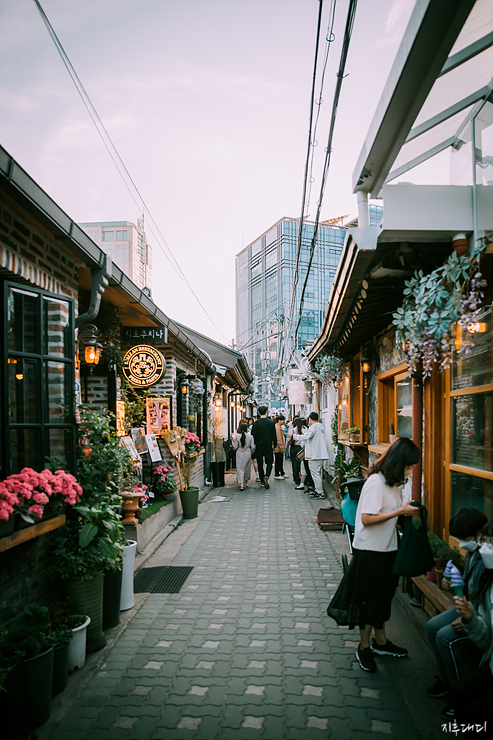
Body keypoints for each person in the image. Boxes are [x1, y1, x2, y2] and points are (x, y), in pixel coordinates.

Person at [327, 437, 420, 673]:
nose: (410, 471)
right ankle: (364, 647)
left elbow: (387, 515)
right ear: (399, 463)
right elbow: (367, 519)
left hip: (387, 549)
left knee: (382, 598)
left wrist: (403, 516)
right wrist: (400, 510)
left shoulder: (391, 483)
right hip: (370, 552)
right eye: (409, 466)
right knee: (368, 600)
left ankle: (381, 642)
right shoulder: (375, 483)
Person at [425, 507, 487, 700]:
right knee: (431, 626)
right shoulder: (472, 552)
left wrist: (471, 620)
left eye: (464, 538)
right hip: (468, 608)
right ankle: (444, 680)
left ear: (478, 534)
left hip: (481, 616)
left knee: (445, 637)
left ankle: (459, 693)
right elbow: (469, 587)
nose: (461, 544)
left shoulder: (487, 559)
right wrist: (452, 582)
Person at [447, 519, 493, 730]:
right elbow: (485, 636)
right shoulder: (489, 582)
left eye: (492, 543)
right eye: (486, 541)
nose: (487, 548)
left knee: (475, 713)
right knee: (459, 696)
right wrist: (470, 619)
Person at [293, 412, 329, 499]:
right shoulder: (321, 427)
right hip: (320, 454)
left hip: (314, 454)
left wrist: (294, 436)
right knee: (318, 473)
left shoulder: (313, 427)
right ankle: (318, 490)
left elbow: (305, 437)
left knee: (315, 474)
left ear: (310, 419)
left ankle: (320, 492)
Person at [251, 406, 276, 490]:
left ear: (258, 413)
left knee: (260, 463)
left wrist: (253, 445)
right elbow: (274, 435)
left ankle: (262, 480)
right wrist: (275, 445)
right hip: (268, 445)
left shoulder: (256, 423)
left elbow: (253, 436)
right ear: (266, 412)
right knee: (269, 462)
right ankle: (267, 476)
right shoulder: (271, 423)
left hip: (259, 446)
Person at [232, 422, 255, 491]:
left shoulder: (238, 436)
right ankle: (246, 483)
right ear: (247, 429)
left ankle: (241, 484)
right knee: (247, 468)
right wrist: (251, 452)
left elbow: (235, 446)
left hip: (239, 452)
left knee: (240, 468)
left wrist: (233, 442)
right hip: (247, 452)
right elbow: (253, 447)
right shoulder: (251, 437)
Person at [274, 415, 287, 480]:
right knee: (278, 460)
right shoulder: (277, 428)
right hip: (278, 447)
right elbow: (278, 438)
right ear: (279, 420)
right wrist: (282, 447)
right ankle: (277, 474)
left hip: (278, 447)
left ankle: (282, 473)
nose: (284, 421)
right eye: (283, 420)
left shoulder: (278, 427)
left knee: (280, 460)